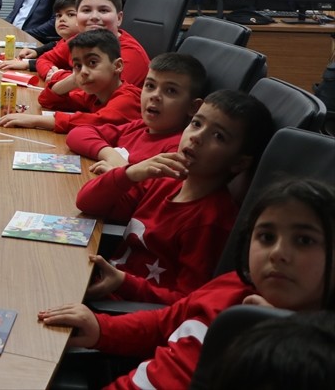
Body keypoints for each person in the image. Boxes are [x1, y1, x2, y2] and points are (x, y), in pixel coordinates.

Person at [38, 178, 335, 390]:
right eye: (266, 237)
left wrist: (280, 336)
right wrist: (102, 328)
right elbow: (164, 323)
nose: (278, 253)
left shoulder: (317, 354)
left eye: (304, 240)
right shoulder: (231, 285)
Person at [76, 89, 273, 305]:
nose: (196, 137)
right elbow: (86, 202)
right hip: (100, 285)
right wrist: (131, 173)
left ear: (239, 163)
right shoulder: (165, 179)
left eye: (218, 136)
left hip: (122, 308)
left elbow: (187, 303)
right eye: (196, 124)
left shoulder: (210, 222)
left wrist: (124, 283)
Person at [67, 52, 207, 174]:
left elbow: (147, 192)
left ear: (193, 107)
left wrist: (124, 173)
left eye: (171, 90)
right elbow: (77, 134)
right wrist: (111, 155)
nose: (155, 96)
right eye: (150, 86)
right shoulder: (140, 126)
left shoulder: (176, 151)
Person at [0, 29, 142, 133]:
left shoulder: (127, 98)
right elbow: (47, 100)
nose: (84, 71)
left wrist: (35, 120)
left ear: (117, 66)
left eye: (92, 63)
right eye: (77, 65)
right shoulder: (95, 94)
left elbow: (95, 122)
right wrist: (74, 79)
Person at [35, 0, 151, 89]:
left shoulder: (130, 54)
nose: (94, 17)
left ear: (119, 18)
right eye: (86, 10)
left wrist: (59, 77)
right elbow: (44, 60)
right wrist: (67, 79)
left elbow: (95, 95)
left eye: (103, 10)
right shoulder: (79, 40)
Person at [0, 0, 79, 73]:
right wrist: (36, 51)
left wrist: (27, 64)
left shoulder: (77, 44)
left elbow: (50, 61)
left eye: (70, 14)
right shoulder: (66, 40)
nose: (62, 19)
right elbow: (56, 44)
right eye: (59, 15)